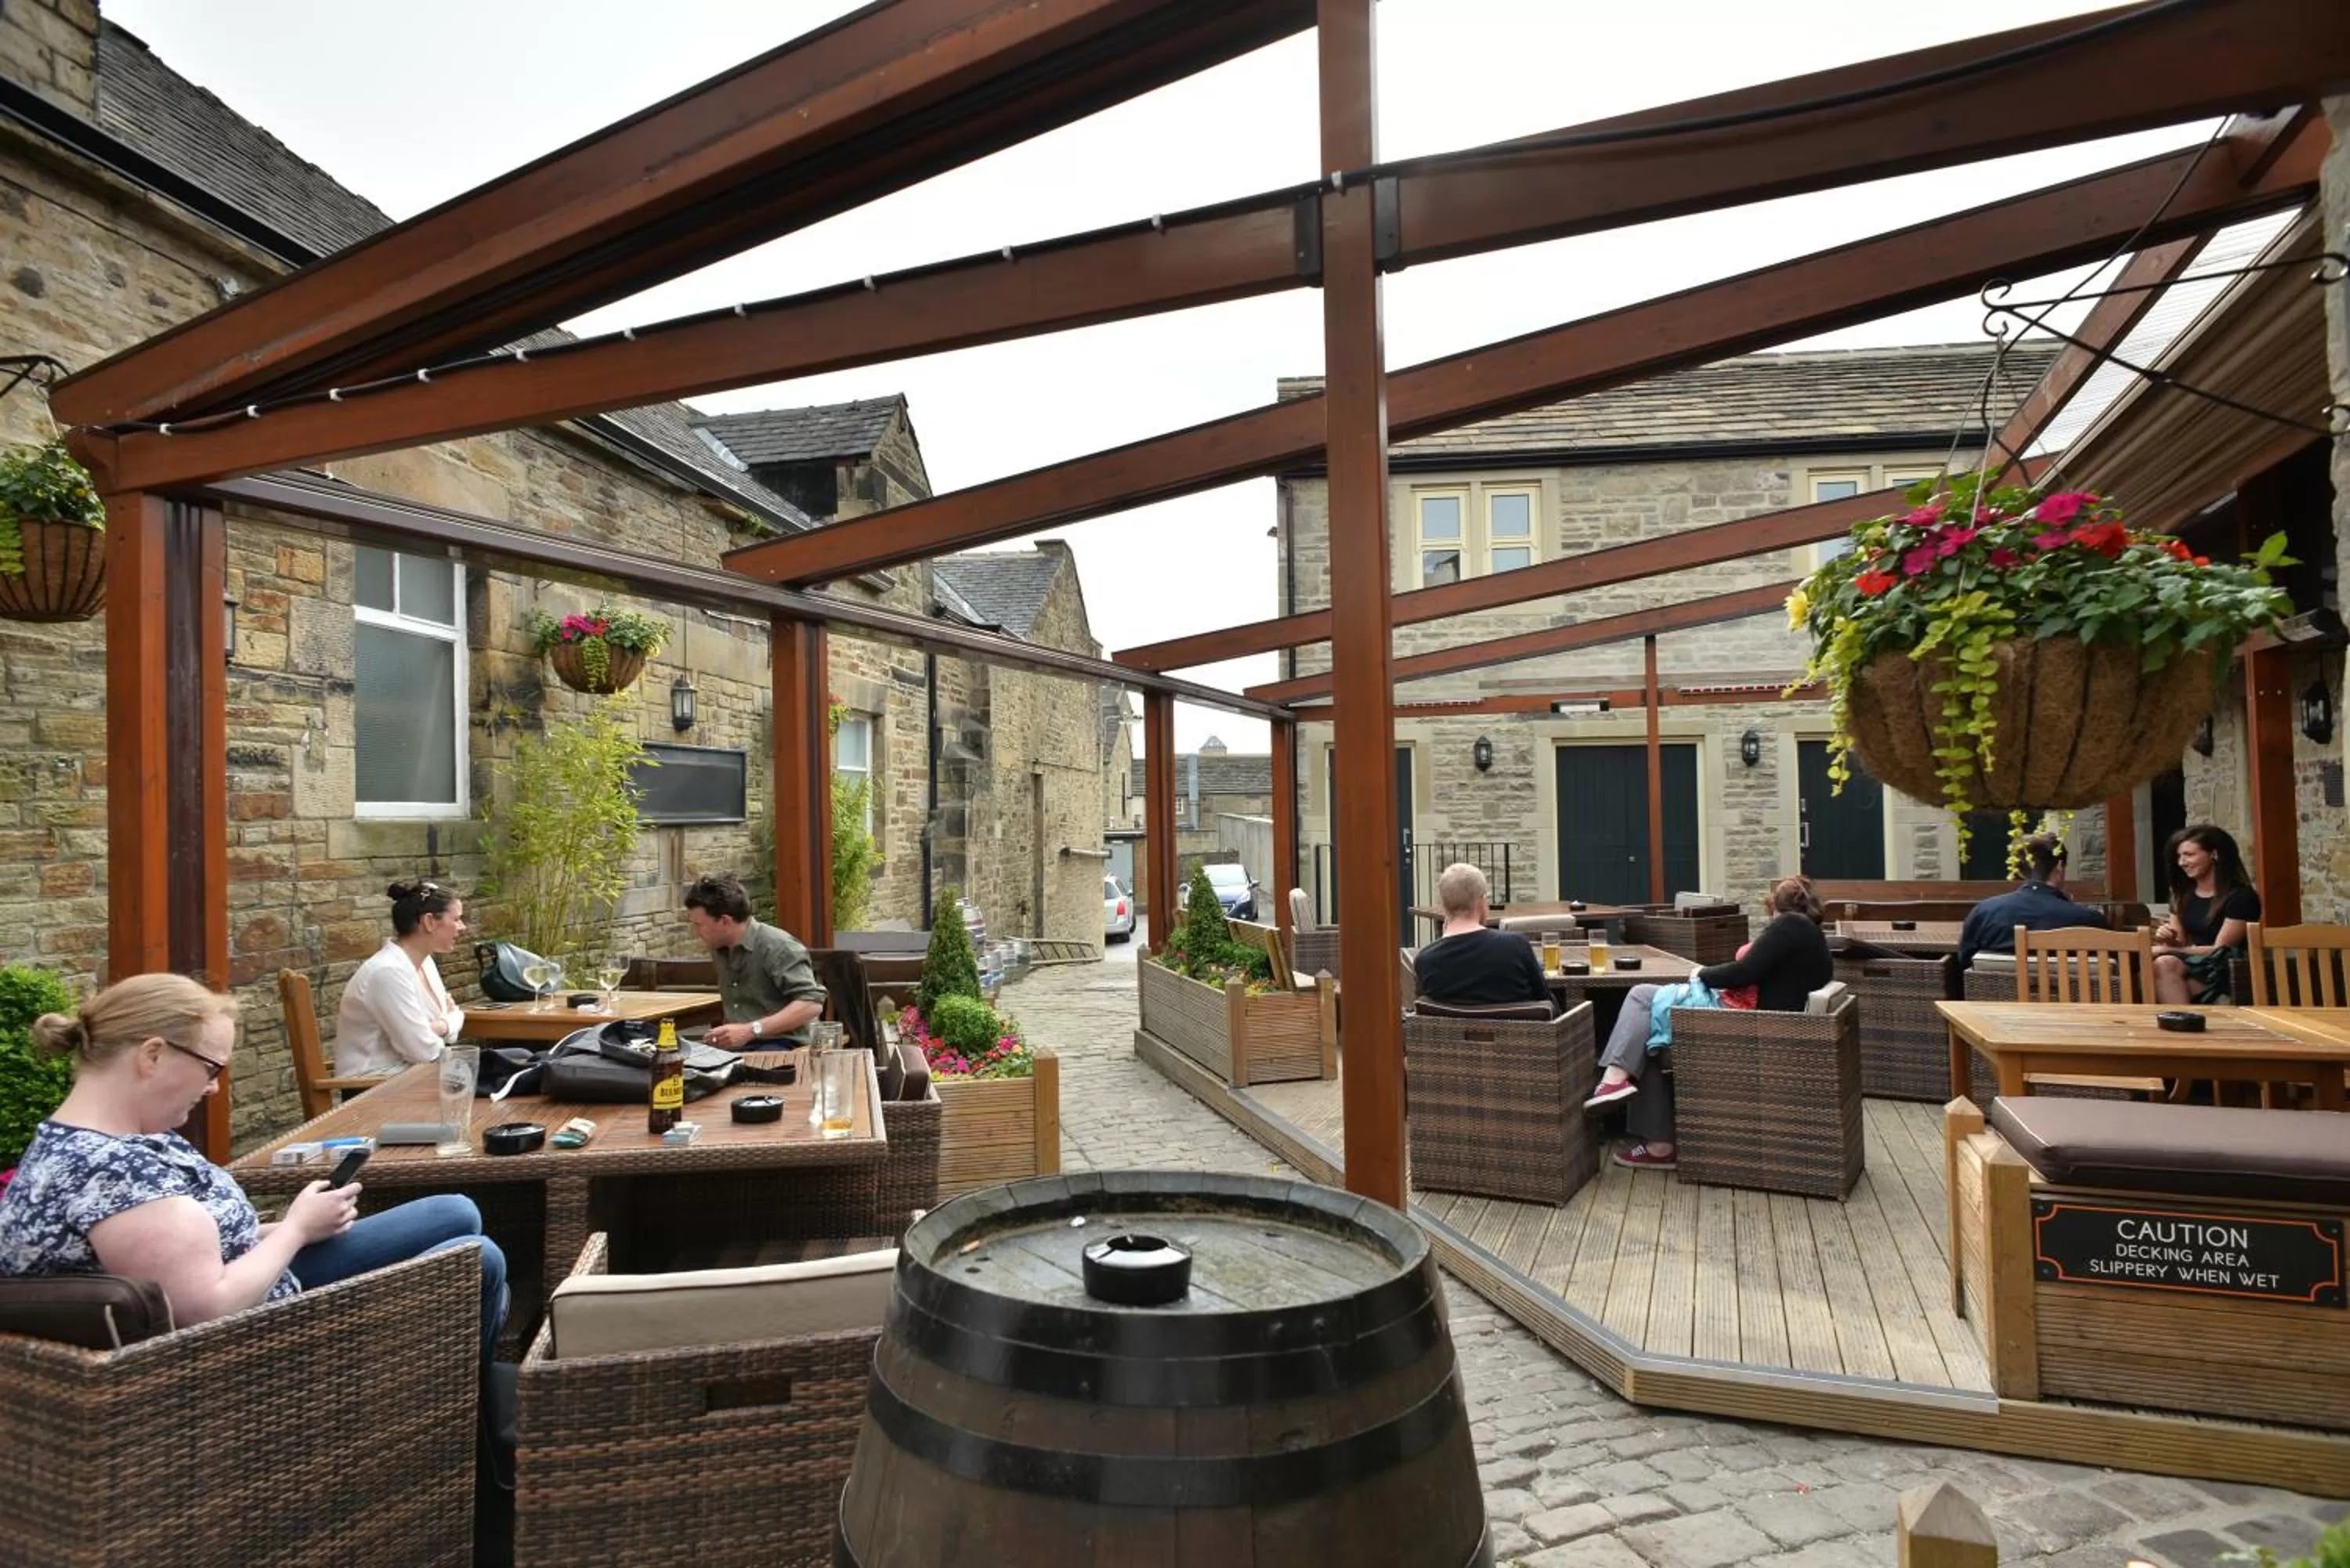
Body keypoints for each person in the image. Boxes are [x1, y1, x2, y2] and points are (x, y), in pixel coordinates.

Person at [0, 974, 507, 1363]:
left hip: (260, 1285)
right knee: (480, 1260)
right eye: (211, 1068)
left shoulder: (97, 1142)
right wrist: (295, 1229)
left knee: (455, 1211)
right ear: (152, 1056)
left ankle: (464, 1393)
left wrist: (298, 1224)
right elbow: (207, 1311)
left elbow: (185, 1255)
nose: (213, 1087)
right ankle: (458, 1421)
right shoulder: (111, 1174)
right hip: (257, 1347)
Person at [1583, 876, 1834, 1170]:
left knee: (1641, 996)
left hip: (1753, 1030)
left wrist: (1701, 974)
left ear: (1776, 907)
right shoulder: (1812, 935)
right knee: (1649, 1036)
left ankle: (1613, 1082)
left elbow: (1743, 972)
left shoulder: (1789, 925)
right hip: (1774, 1028)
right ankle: (1656, 1141)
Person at [335, 878, 469, 1076]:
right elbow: (424, 1052)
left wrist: (439, 1027)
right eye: (456, 919)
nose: (463, 927)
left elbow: (448, 1037)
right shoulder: (387, 972)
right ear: (429, 922)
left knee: (512, 1062)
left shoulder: (425, 962)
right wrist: (448, 1023)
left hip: (418, 1076)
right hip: (375, 1086)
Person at [684, 873, 828, 1049]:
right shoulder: (719, 947)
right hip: (739, 1046)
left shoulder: (778, 946)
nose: (696, 933)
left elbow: (811, 1004)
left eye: (699, 925)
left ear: (725, 921)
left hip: (784, 1044)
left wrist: (750, 1030)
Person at [1410, 863, 1553, 1011]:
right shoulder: (1515, 946)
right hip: (1520, 1027)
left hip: (1449, 1028)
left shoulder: (1426, 960)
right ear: (1482, 901)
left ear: (1443, 905)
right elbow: (1546, 1000)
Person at [1954, 833, 2108, 970]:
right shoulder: (2091, 921)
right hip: (2072, 993)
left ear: (2020, 871)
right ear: (2060, 866)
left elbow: (1965, 961)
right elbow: (2111, 966)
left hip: (1998, 993)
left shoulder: (1984, 914)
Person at [2153, 825, 2260, 1004]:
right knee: (2162, 967)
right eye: (2179, 856)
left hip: (2226, 969)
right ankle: (2184, 1018)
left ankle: (2182, 1019)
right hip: (2192, 964)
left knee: (2167, 970)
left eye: (2189, 855)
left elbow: (2220, 951)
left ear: (2214, 854)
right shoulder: (2182, 895)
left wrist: (2167, 949)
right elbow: (2180, 942)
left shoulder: (2241, 897)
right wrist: (2168, 938)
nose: (2181, 862)